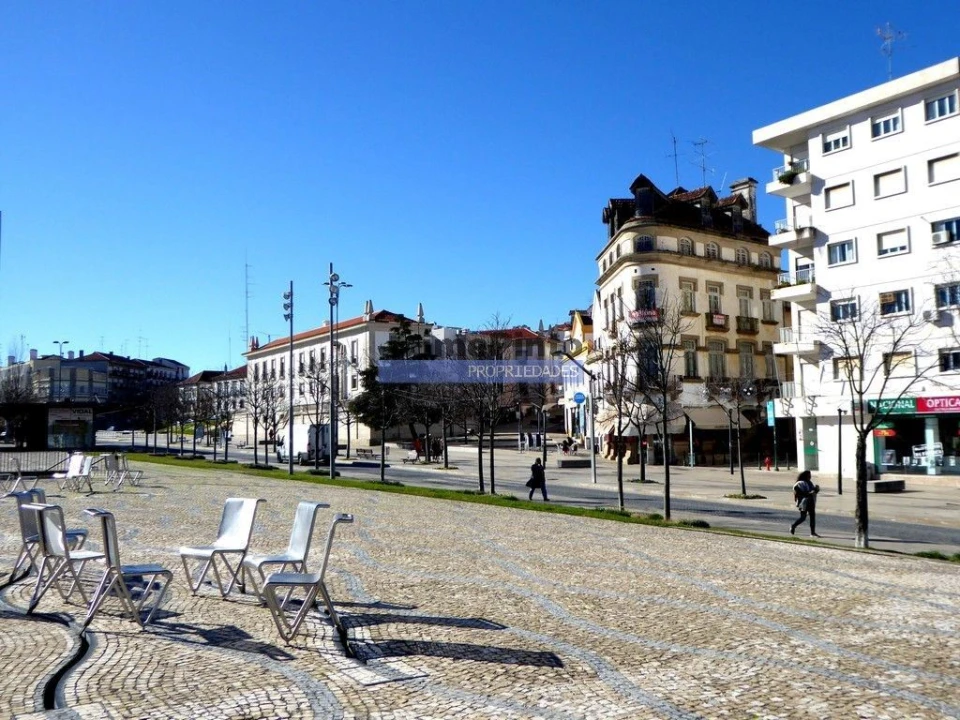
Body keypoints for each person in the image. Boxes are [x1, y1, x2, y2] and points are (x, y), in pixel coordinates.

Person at [790, 470, 820, 537]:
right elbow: (798, 492)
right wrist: (809, 493)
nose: (810, 477)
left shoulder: (809, 482)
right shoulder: (800, 483)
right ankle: (793, 526)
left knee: (812, 517)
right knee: (803, 517)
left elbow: (812, 491)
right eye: (809, 475)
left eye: (810, 475)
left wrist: (816, 489)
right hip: (803, 503)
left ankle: (813, 532)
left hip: (811, 501)